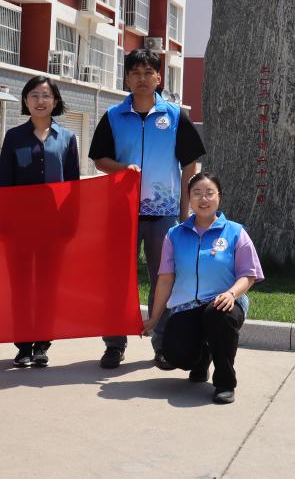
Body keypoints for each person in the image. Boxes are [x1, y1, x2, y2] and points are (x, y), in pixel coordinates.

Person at [89, 48, 205, 369]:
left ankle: (163, 344)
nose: (142, 79)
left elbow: (190, 165)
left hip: (164, 213)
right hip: (122, 213)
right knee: (117, 280)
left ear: (158, 77)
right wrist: (122, 169)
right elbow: (99, 159)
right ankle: (114, 344)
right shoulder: (113, 116)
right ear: (126, 78)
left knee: (163, 278)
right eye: (135, 73)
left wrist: (185, 212)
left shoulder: (175, 116)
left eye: (148, 73)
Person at [142, 173, 264, 404]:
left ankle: (225, 382)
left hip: (224, 303)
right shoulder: (175, 234)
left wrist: (231, 294)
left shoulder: (235, 232)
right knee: (174, 353)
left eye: (209, 193)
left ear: (220, 197)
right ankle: (201, 358)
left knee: (218, 315)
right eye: (196, 193)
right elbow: (165, 280)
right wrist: (155, 318)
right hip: (187, 306)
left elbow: (248, 275)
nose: (203, 199)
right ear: (189, 198)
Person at [0, 75, 80, 368]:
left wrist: (71, 223)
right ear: (25, 100)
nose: (40, 101)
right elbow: (3, 183)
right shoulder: (14, 137)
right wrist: (2, 223)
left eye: (46, 95)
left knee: (47, 285)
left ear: (55, 101)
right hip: (18, 227)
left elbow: (73, 186)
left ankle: (43, 344)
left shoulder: (67, 138)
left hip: (53, 228)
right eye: (34, 95)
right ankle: (22, 346)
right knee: (20, 285)